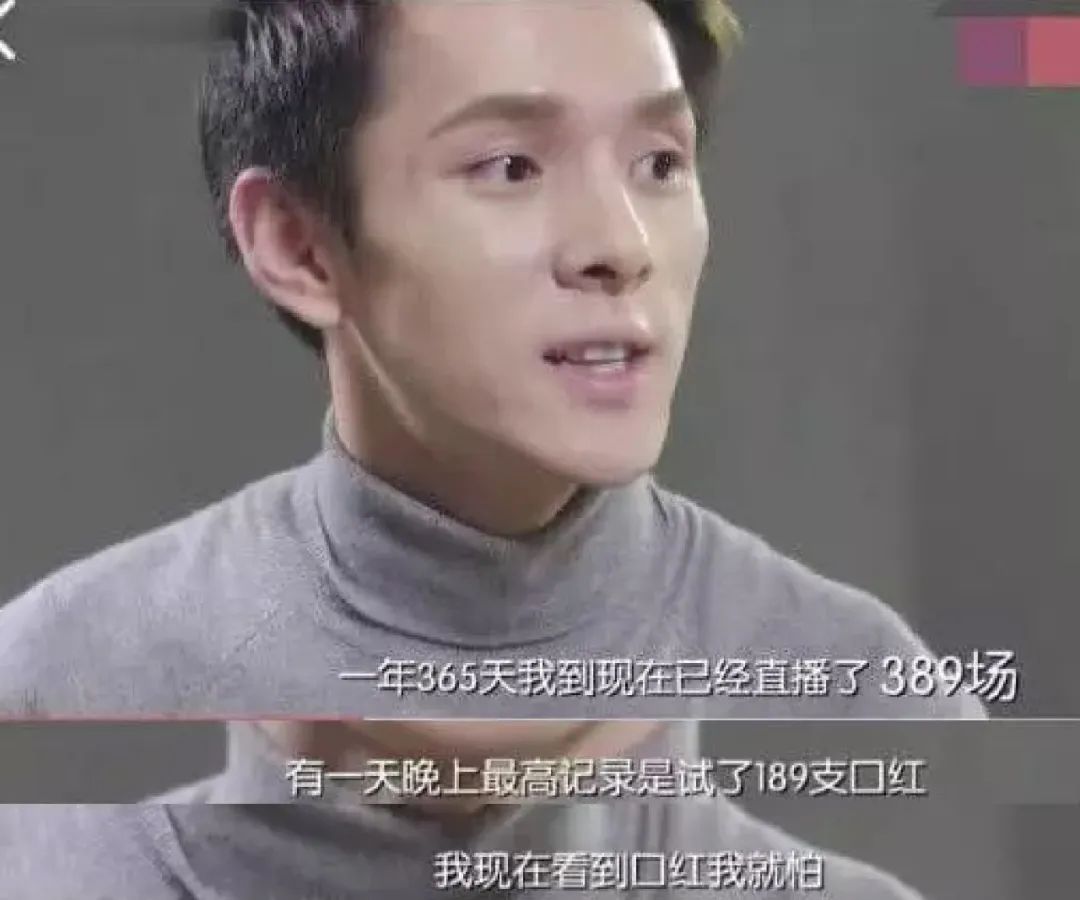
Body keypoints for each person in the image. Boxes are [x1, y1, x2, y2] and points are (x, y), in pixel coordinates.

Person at [0, 0, 985, 725]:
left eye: (660, 163)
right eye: (511, 166)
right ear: (298, 246)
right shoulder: (67, 682)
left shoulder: (860, 691)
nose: (621, 244)